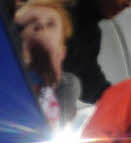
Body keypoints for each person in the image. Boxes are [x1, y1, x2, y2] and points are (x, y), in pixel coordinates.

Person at [12, 0, 81, 128]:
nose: (41, 24)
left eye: (50, 24)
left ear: (62, 52)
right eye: (31, 23)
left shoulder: (61, 93)